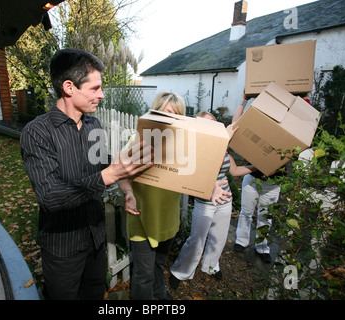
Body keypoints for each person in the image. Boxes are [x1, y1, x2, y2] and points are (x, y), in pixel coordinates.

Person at [20, 48, 153, 300]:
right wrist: (109, 175)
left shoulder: (94, 125)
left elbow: (105, 165)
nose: (101, 95)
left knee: (93, 293)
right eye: (95, 88)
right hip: (63, 247)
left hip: (95, 238)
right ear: (69, 87)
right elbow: (50, 196)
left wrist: (127, 191)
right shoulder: (37, 132)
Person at [168, 111, 256, 289]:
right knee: (197, 240)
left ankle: (211, 266)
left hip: (225, 201)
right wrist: (223, 141)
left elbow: (235, 171)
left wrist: (258, 167)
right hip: (205, 201)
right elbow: (203, 170)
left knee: (219, 238)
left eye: (212, 123)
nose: (209, 127)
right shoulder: (195, 149)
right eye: (204, 123)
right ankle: (180, 271)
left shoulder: (223, 147)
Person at [117, 91, 188, 300]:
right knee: (143, 274)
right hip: (143, 218)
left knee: (158, 263)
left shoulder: (184, 147)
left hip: (168, 218)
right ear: (155, 112)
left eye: (176, 115)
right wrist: (128, 192)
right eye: (166, 113)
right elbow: (121, 174)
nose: (170, 119)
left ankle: (159, 292)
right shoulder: (138, 140)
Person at [232, 92, 281, 263]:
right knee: (246, 212)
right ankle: (241, 241)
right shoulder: (258, 128)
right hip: (252, 179)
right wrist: (243, 100)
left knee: (266, 216)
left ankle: (262, 247)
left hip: (273, 183)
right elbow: (235, 125)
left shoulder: (285, 132)